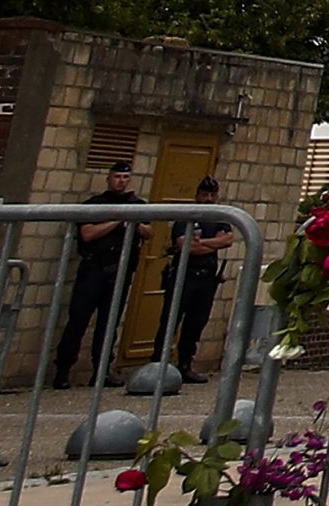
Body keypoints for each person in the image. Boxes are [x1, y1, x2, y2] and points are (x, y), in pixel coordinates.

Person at [53, 163, 146, 387]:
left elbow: (148, 231)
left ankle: (102, 371)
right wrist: (116, 221)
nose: (121, 181)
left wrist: (132, 220)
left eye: (126, 177)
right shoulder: (95, 205)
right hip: (93, 270)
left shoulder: (137, 205)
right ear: (108, 179)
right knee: (78, 321)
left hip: (120, 272)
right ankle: (63, 370)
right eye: (117, 177)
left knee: (109, 324)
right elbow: (87, 233)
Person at [160, 177, 231, 379]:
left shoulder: (219, 217)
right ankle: (159, 364)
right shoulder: (186, 217)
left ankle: (185, 365)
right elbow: (187, 246)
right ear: (197, 195)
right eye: (204, 195)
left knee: (196, 323)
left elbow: (227, 240)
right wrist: (212, 243)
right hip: (185, 276)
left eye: (212, 195)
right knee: (170, 321)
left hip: (207, 278)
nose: (208, 199)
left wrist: (204, 242)